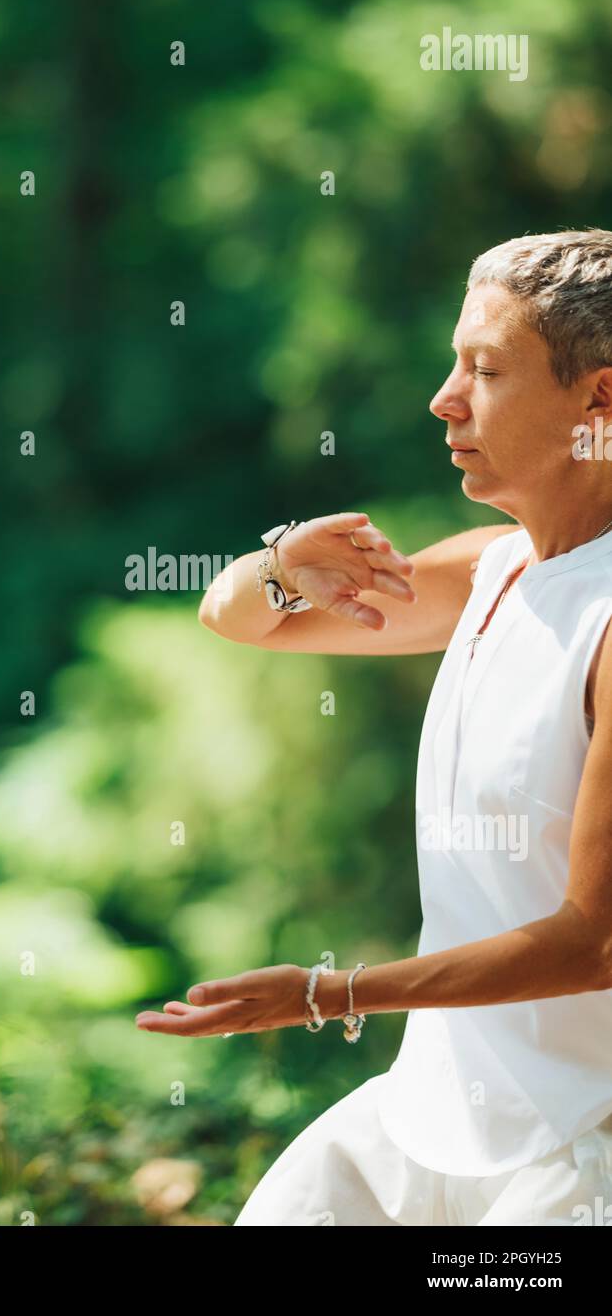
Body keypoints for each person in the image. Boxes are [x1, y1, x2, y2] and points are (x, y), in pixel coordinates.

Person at [135, 229, 612, 1226]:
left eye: (482, 370)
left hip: (579, 1141)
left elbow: (592, 942)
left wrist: (325, 992)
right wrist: (281, 564)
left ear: (596, 402)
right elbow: (237, 619)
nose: (443, 398)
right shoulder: (492, 569)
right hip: (424, 1113)